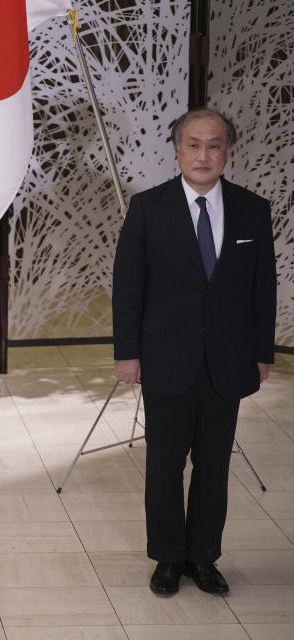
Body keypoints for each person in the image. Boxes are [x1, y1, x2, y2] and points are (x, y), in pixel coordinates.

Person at [112, 107, 276, 595]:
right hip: (165, 358)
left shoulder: (252, 210)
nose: (204, 155)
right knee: (164, 463)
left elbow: (262, 288)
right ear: (177, 149)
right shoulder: (148, 209)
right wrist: (127, 352)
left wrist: (261, 351)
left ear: (228, 151)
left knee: (214, 464)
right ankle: (167, 557)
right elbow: (128, 287)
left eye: (215, 145)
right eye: (194, 144)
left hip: (227, 361)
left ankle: (203, 556)